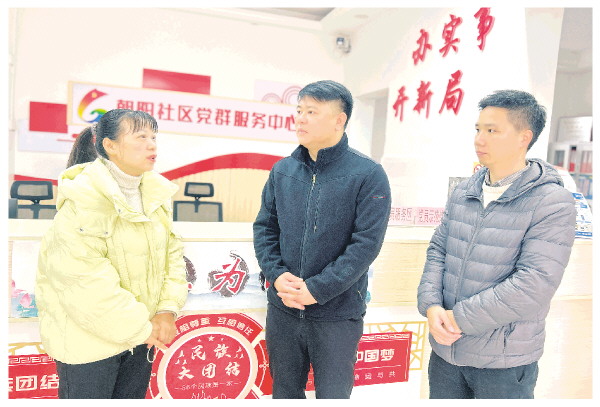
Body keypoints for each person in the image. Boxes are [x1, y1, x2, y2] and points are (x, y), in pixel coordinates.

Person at [417, 90, 576, 399]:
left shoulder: (552, 201)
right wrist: (431, 305)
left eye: (492, 130)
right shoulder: (464, 191)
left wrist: (458, 318)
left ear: (523, 138)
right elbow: (438, 250)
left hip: (503, 361)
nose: (480, 139)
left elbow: (534, 283)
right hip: (447, 354)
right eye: (478, 129)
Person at [36, 109, 188, 398]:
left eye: (154, 137)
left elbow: (172, 257)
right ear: (110, 145)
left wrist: (166, 310)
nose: (152, 145)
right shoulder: (83, 198)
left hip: (141, 339)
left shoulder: (156, 196)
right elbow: (84, 282)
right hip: (88, 345)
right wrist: (143, 328)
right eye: (141, 137)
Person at [253, 80, 391, 399]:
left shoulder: (368, 174)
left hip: (336, 312)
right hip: (284, 309)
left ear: (339, 120)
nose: (300, 118)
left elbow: (366, 245)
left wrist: (317, 289)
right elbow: (265, 229)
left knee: (333, 395)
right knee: (285, 392)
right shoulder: (282, 171)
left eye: (312, 112)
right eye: (299, 110)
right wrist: (277, 275)